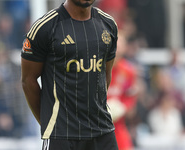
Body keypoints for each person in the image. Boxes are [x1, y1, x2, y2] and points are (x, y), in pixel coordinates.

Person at [21, 0, 118, 150]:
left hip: (102, 133)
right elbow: (28, 81)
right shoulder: (45, 27)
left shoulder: (108, 24)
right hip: (61, 136)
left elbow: (104, 75)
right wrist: (50, 123)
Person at [107, 31, 138, 150]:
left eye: (120, 45)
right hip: (95, 127)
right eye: (115, 44)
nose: (117, 49)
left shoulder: (129, 71)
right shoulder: (97, 69)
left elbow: (131, 103)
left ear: (125, 48)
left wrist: (122, 108)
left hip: (118, 128)